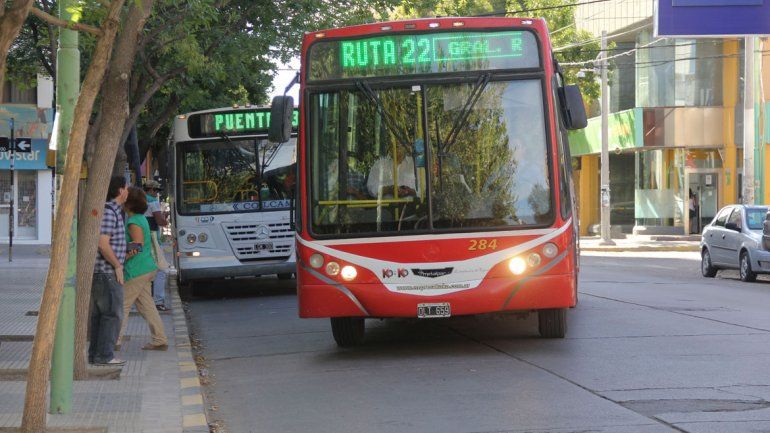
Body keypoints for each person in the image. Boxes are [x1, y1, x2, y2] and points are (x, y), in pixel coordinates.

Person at [117, 187, 169, 351]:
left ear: (129, 202)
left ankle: (114, 341)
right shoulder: (141, 219)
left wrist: (120, 259)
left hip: (136, 269)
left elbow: (137, 245)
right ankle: (159, 339)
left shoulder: (133, 222)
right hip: (147, 267)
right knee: (146, 305)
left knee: (122, 305)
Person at [89, 176, 129, 366]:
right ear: (121, 191)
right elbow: (102, 244)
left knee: (102, 315)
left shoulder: (113, 211)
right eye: (126, 188)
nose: (128, 192)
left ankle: (96, 355)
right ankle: (104, 355)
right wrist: (117, 265)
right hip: (106, 272)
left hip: (104, 272)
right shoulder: (109, 212)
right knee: (112, 314)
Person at [143, 180, 169, 311]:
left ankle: (144, 301)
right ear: (150, 190)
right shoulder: (153, 202)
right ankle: (158, 301)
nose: (157, 193)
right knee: (161, 270)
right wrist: (166, 217)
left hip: (141, 237)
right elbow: (161, 222)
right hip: (153, 239)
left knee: (145, 270)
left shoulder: (139, 201)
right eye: (156, 190)